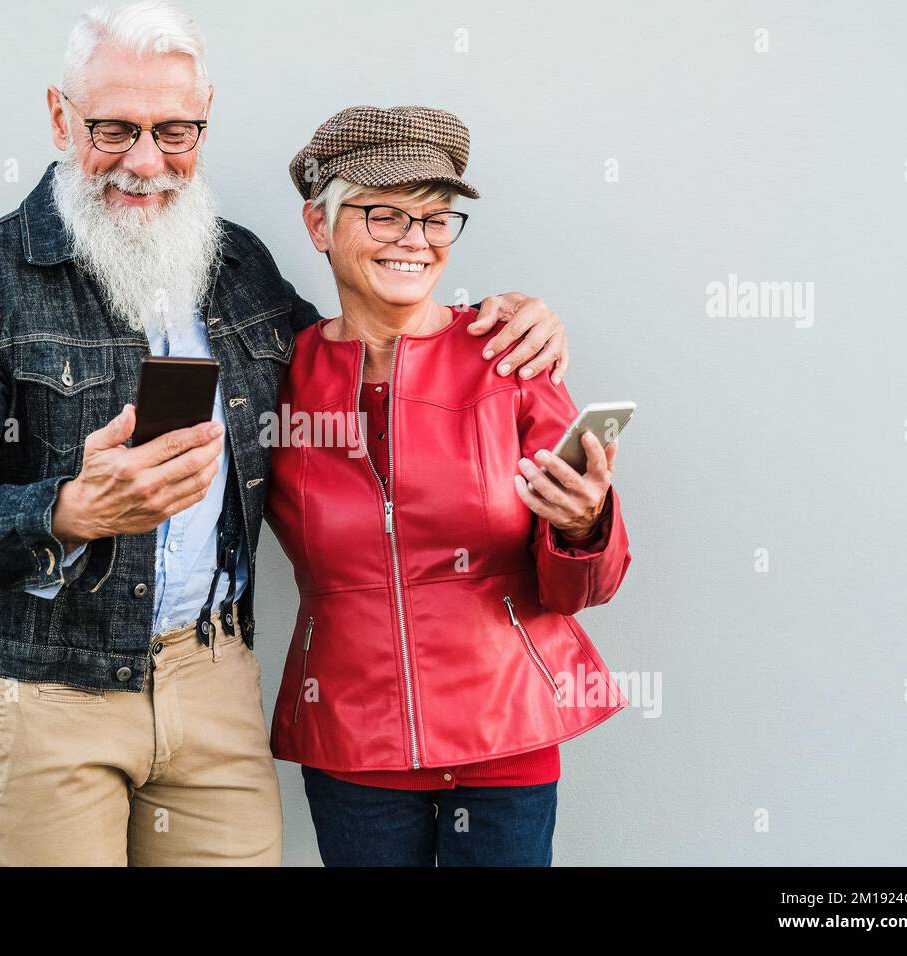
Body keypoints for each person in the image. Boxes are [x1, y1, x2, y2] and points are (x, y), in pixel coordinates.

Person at [0, 0, 571, 866]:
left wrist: (507, 318)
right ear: (60, 117)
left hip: (211, 679)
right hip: (47, 684)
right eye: (114, 127)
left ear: (204, 118)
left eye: (176, 131)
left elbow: (359, 351)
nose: (146, 161)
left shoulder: (237, 263)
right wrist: (63, 511)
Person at [262, 105, 633, 866]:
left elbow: (582, 589)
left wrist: (584, 525)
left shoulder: (508, 355)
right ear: (318, 226)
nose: (415, 239)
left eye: (436, 219)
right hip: (352, 740)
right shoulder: (276, 375)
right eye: (385, 214)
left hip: (508, 737)